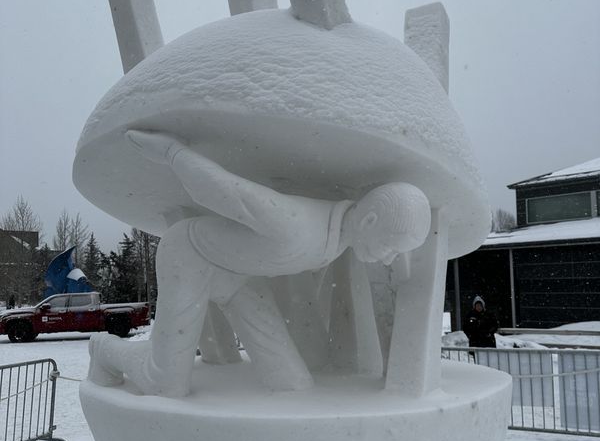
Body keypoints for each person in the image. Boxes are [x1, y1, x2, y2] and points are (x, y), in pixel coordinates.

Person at [90, 130, 432, 397]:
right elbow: (221, 190)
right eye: (391, 247)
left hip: (239, 276)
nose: (389, 258)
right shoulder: (296, 226)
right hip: (191, 256)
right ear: (369, 221)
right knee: (164, 384)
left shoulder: (340, 238)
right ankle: (104, 349)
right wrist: (171, 151)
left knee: (292, 383)